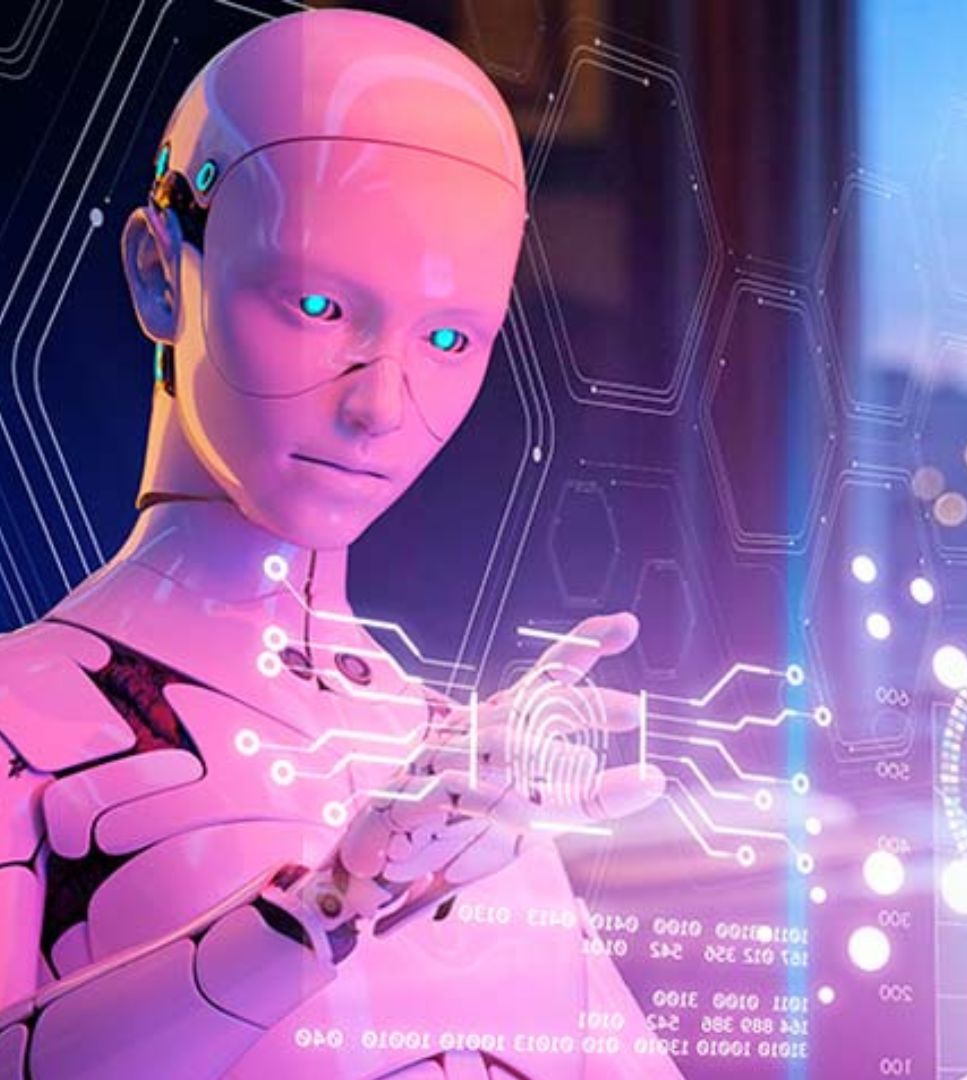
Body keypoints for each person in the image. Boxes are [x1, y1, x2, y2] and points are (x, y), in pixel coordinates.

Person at [0, 10, 680, 1079]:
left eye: (449, 337)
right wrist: (320, 911)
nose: (380, 407)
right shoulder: (25, 726)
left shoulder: (462, 778)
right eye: (317, 305)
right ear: (159, 272)